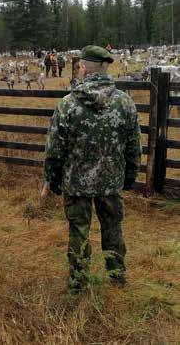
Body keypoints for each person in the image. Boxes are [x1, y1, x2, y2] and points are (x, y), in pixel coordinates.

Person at [42, 45, 142, 291]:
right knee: (112, 228)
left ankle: (77, 283)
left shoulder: (67, 105)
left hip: (76, 184)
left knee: (78, 231)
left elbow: (55, 150)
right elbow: (134, 146)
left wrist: (52, 181)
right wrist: (129, 178)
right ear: (106, 67)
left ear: (84, 67)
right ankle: (117, 277)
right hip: (110, 181)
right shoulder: (125, 102)